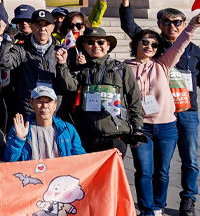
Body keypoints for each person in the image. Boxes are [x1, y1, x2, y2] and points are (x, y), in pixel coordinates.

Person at [119, 0, 200, 216]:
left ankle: (188, 198)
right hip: (152, 115)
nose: (172, 26)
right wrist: (126, 3)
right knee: (149, 168)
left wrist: (193, 26)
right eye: (167, 22)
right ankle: (151, 208)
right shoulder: (156, 49)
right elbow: (131, 29)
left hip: (186, 110)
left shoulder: (193, 51)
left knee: (188, 158)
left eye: (177, 22)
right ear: (159, 25)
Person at [57, 26, 144, 154]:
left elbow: (134, 98)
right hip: (86, 135)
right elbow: (70, 87)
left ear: (108, 45)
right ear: (84, 46)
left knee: (112, 174)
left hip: (115, 135)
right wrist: (62, 64)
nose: (96, 45)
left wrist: (137, 127)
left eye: (100, 42)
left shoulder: (122, 69)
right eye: (90, 42)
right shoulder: (81, 70)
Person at [0, 8, 67, 117]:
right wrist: (7, 39)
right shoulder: (21, 49)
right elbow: (4, 62)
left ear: (52, 27)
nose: (42, 28)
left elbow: (69, 85)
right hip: (29, 110)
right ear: (32, 27)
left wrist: (62, 64)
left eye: (46, 25)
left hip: (54, 110)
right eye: (38, 24)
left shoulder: (60, 51)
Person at [5, 86, 86, 161]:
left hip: (60, 176)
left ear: (55, 105)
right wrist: (19, 139)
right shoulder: (20, 128)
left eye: (49, 101)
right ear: (31, 103)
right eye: (40, 101)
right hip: (32, 176)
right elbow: (9, 159)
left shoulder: (67, 129)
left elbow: (80, 159)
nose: (44, 105)